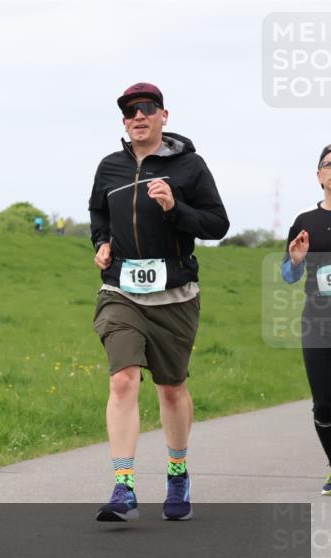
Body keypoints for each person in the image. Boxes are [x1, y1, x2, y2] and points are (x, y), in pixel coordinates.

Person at [87, 82, 229, 522]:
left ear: (164, 116)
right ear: (124, 122)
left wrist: (174, 208)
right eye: (130, 111)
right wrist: (102, 242)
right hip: (121, 290)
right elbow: (98, 212)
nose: (138, 116)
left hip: (174, 295)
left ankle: (177, 473)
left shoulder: (190, 167)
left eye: (147, 108)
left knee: (171, 388)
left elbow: (217, 224)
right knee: (123, 380)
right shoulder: (109, 167)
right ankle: (123, 485)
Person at [282, 144, 331, 494]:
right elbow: (288, 276)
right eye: (329, 164)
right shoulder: (305, 222)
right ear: (319, 175)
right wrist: (296, 261)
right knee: (324, 405)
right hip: (318, 322)